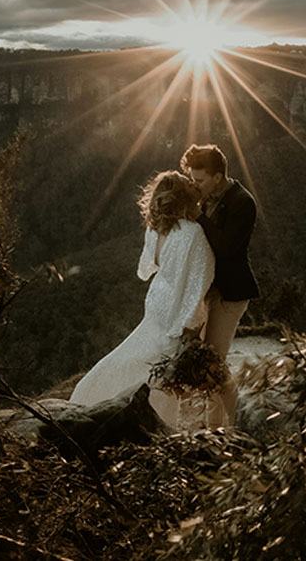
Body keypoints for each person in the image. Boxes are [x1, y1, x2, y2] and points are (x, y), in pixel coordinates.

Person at [69, 170, 214, 427]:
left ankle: (91, 396)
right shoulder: (192, 233)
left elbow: (145, 270)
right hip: (175, 312)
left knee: (136, 360)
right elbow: (200, 281)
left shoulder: (154, 230)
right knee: (162, 374)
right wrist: (191, 325)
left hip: (155, 305)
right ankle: (159, 425)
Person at [180, 144, 259, 427]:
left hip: (230, 293)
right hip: (207, 290)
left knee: (213, 360)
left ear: (217, 176)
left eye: (199, 180)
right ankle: (214, 424)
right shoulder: (208, 196)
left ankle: (234, 421)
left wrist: (197, 214)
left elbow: (226, 248)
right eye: (192, 179)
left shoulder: (242, 202)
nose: (195, 185)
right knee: (205, 361)